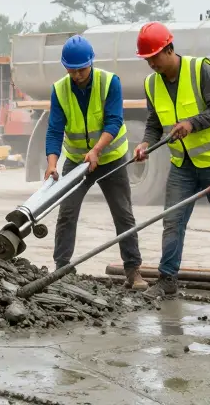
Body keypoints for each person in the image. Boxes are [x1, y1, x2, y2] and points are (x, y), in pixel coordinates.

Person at [131, 21, 210, 303]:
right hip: (182, 164)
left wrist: (191, 124)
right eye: (147, 60)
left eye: (154, 57)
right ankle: (167, 280)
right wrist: (146, 143)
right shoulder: (151, 83)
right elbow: (154, 122)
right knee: (172, 221)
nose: (151, 64)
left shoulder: (199, 69)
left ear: (169, 49)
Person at [46, 34, 145, 290]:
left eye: (81, 69)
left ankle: (133, 271)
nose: (77, 75)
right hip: (77, 161)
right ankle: (62, 269)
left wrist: (97, 150)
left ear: (90, 63)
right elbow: (55, 129)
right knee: (67, 213)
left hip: (110, 158)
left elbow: (114, 120)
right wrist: (52, 163)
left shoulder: (109, 82)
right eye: (72, 70)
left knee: (123, 214)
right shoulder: (60, 89)